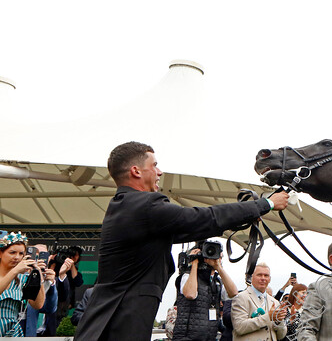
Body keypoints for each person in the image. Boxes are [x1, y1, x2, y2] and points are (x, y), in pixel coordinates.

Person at [74, 141, 290, 341]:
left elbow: (198, 226)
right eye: (155, 165)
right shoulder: (145, 206)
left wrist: (245, 215)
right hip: (118, 324)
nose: (159, 171)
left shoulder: (124, 207)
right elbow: (202, 218)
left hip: (104, 324)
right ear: (136, 171)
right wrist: (265, 205)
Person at [173, 242, 239, 341]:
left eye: (218, 255)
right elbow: (190, 294)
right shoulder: (188, 276)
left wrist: (218, 267)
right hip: (186, 337)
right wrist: (194, 263)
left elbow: (233, 293)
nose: (214, 258)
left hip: (209, 337)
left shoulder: (217, 281)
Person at [0, 231, 46, 336]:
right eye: (12, 253)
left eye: (21, 254)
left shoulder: (22, 279)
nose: (17, 257)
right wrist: (15, 271)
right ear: (0, 253)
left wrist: (37, 274)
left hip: (11, 332)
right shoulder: (15, 273)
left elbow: (37, 304)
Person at [230, 262, 287, 341]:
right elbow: (240, 327)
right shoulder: (241, 298)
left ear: (269, 279)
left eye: (266, 275)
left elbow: (281, 336)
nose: (263, 278)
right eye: (259, 275)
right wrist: (268, 317)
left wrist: (278, 322)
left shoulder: (275, 302)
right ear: (252, 278)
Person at [23, 244, 58, 337]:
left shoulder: (47, 278)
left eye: (44, 255)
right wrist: (33, 275)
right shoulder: (18, 275)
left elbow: (49, 308)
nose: (40, 259)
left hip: (31, 334)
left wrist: (51, 284)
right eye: (37, 255)